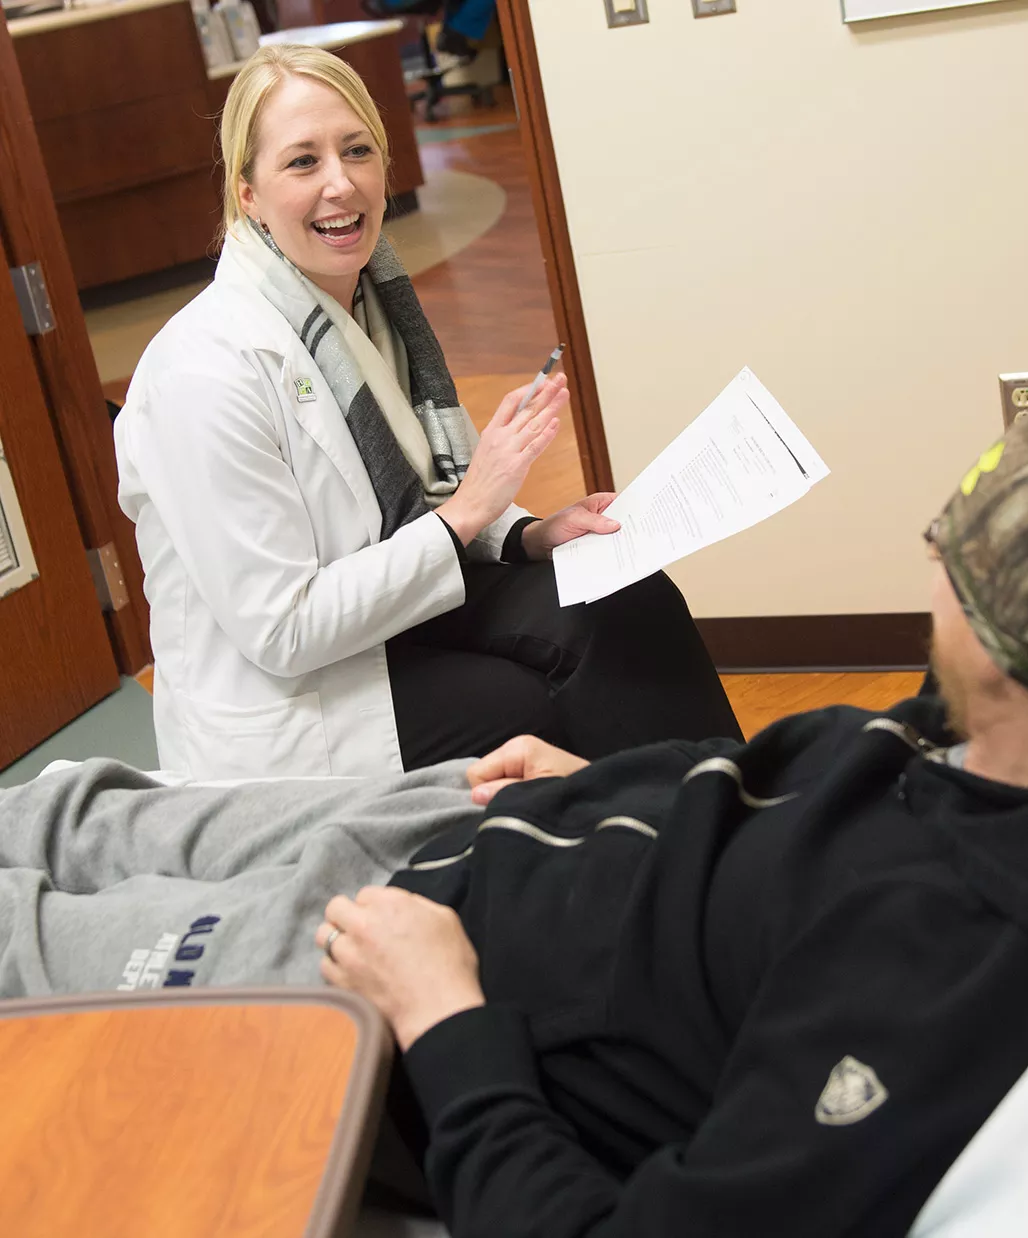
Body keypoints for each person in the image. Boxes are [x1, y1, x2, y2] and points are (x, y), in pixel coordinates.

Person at [13, 378, 1028, 1234]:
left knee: (32, 942)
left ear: (1006, 644)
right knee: (86, 810)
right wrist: (610, 786)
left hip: (394, 978)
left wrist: (443, 1017)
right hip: (497, 823)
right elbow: (795, 809)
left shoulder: (941, 974)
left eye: (948, 550)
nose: (927, 564)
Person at [113, 45, 740, 781]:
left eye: (356, 151)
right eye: (302, 163)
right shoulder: (202, 371)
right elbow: (284, 630)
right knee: (527, 704)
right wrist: (473, 511)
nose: (341, 185)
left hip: (396, 615)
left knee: (629, 598)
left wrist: (533, 534)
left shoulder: (376, 308)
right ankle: (660, 848)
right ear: (247, 193)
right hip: (297, 694)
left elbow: (437, 498)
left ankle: (732, 828)